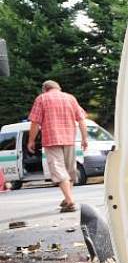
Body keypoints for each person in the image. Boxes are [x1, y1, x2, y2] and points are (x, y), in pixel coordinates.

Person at [28, 80, 88, 212]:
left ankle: (70, 201)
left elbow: (35, 123)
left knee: (59, 170)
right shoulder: (70, 98)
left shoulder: (42, 99)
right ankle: (68, 199)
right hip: (69, 139)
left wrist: (31, 140)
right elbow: (82, 119)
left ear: (45, 89)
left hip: (51, 140)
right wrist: (84, 138)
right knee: (70, 170)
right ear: (58, 88)